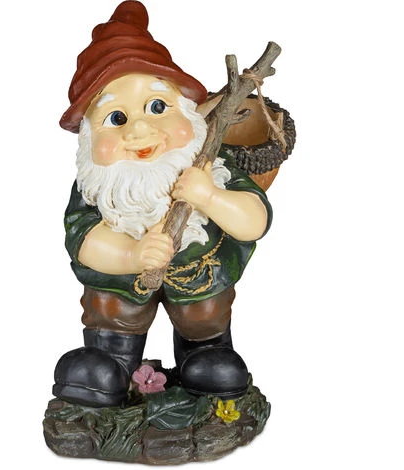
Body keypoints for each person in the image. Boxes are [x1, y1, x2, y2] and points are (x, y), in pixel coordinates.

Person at [53, 0, 272, 407]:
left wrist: (210, 196)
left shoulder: (210, 168)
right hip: (119, 292)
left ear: (190, 115)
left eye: (157, 107)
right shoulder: (98, 186)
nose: (139, 129)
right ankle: (111, 362)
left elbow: (254, 220)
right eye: (116, 118)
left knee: (204, 320)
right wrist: (132, 254)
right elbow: (83, 239)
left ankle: (205, 354)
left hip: (201, 287)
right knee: (112, 313)